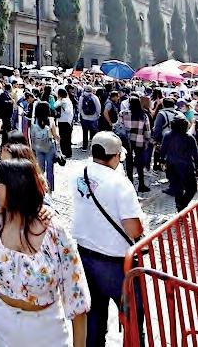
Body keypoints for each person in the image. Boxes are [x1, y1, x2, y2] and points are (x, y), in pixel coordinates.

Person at [0, 158, 90, 347]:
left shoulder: (54, 231)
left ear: (17, 187)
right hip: (0, 327)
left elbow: (76, 297)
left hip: (46, 332)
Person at [71, 132, 144, 347]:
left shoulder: (79, 173)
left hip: (85, 257)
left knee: (93, 318)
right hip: (116, 263)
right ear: (116, 156)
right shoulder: (120, 183)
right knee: (132, 318)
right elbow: (133, 229)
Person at [160, 114, 198, 211]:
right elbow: (196, 154)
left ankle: (180, 208)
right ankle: (182, 206)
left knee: (178, 189)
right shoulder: (189, 138)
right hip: (186, 167)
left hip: (171, 166)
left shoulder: (167, 136)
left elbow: (163, 150)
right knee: (192, 189)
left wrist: (162, 161)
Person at [120, 96, 152, 193]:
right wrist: (147, 141)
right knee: (139, 163)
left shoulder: (123, 113)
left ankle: (130, 184)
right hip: (139, 140)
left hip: (127, 141)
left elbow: (119, 127)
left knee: (128, 162)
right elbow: (147, 130)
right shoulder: (143, 115)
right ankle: (141, 185)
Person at [29, 100, 60, 193]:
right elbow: (56, 135)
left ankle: (41, 188)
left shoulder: (34, 121)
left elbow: (32, 136)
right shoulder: (50, 120)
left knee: (40, 169)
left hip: (38, 147)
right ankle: (49, 189)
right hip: (49, 147)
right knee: (50, 169)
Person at [78, 86, 101, 151]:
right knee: (94, 132)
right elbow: (98, 107)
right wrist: (98, 115)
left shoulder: (82, 97)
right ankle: (93, 146)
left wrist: (82, 114)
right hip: (93, 118)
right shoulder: (94, 97)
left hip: (84, 118)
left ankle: (84, 147)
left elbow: (79, 107)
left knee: (85, 132)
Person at [56, 88, 75, 158]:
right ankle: (68, 153)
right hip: (68, 121)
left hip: (63, 121)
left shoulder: (63, 101)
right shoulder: (68, 100)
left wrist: (61, 104)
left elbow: (55, 106)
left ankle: (65, 152)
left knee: (64, 138)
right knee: (67, 138)